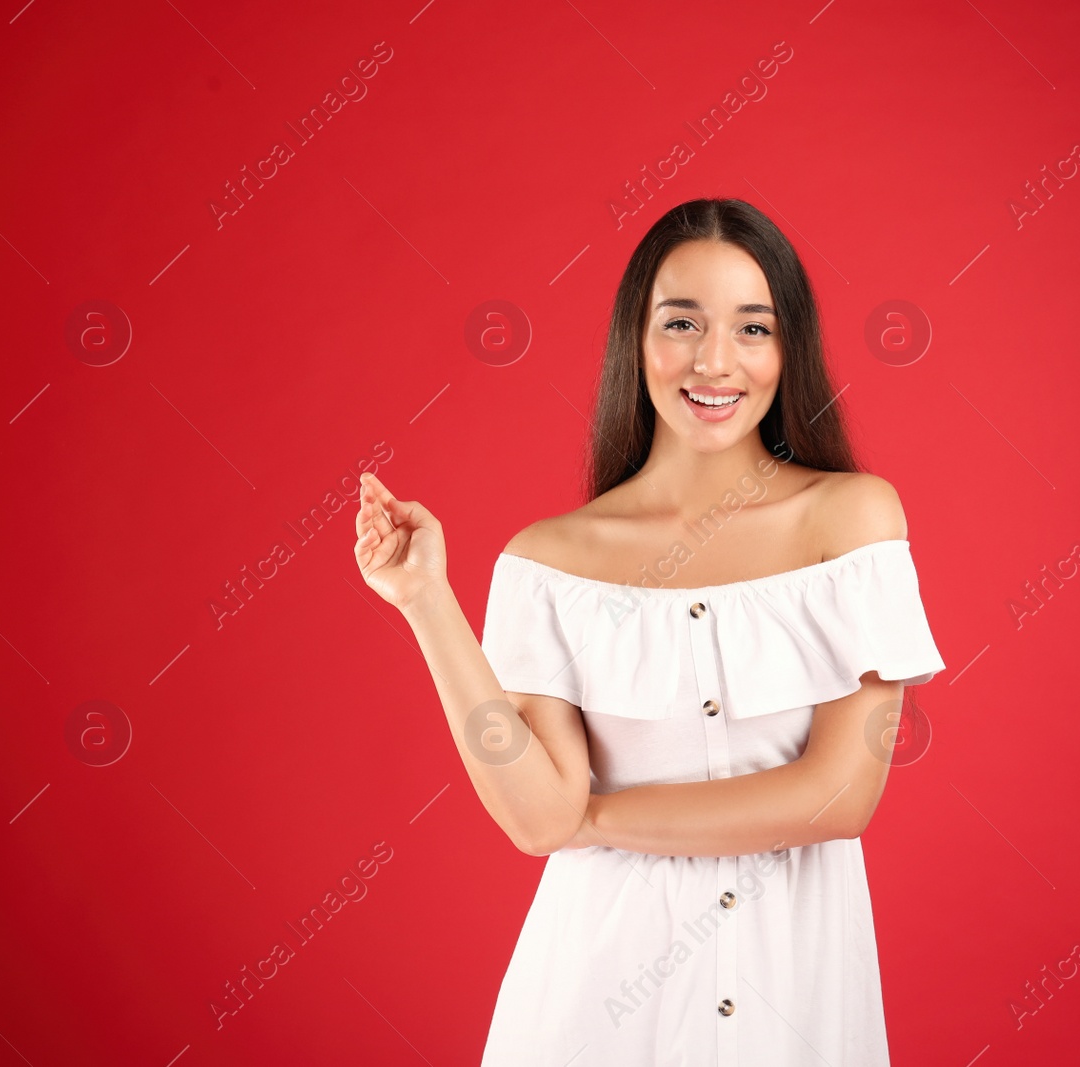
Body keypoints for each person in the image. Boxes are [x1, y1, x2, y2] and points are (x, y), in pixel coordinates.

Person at [353, 198, 945, 1065]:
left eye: (753, 327)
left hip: (799, 1006)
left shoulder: (851, 520)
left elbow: (838, 797)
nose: (715, 361)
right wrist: (424, 599)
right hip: (591, 1006)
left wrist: (587, 818)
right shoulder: (549, 560)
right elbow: (533, 814)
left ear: (791, 348)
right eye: (682, 323)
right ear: (636, 338)